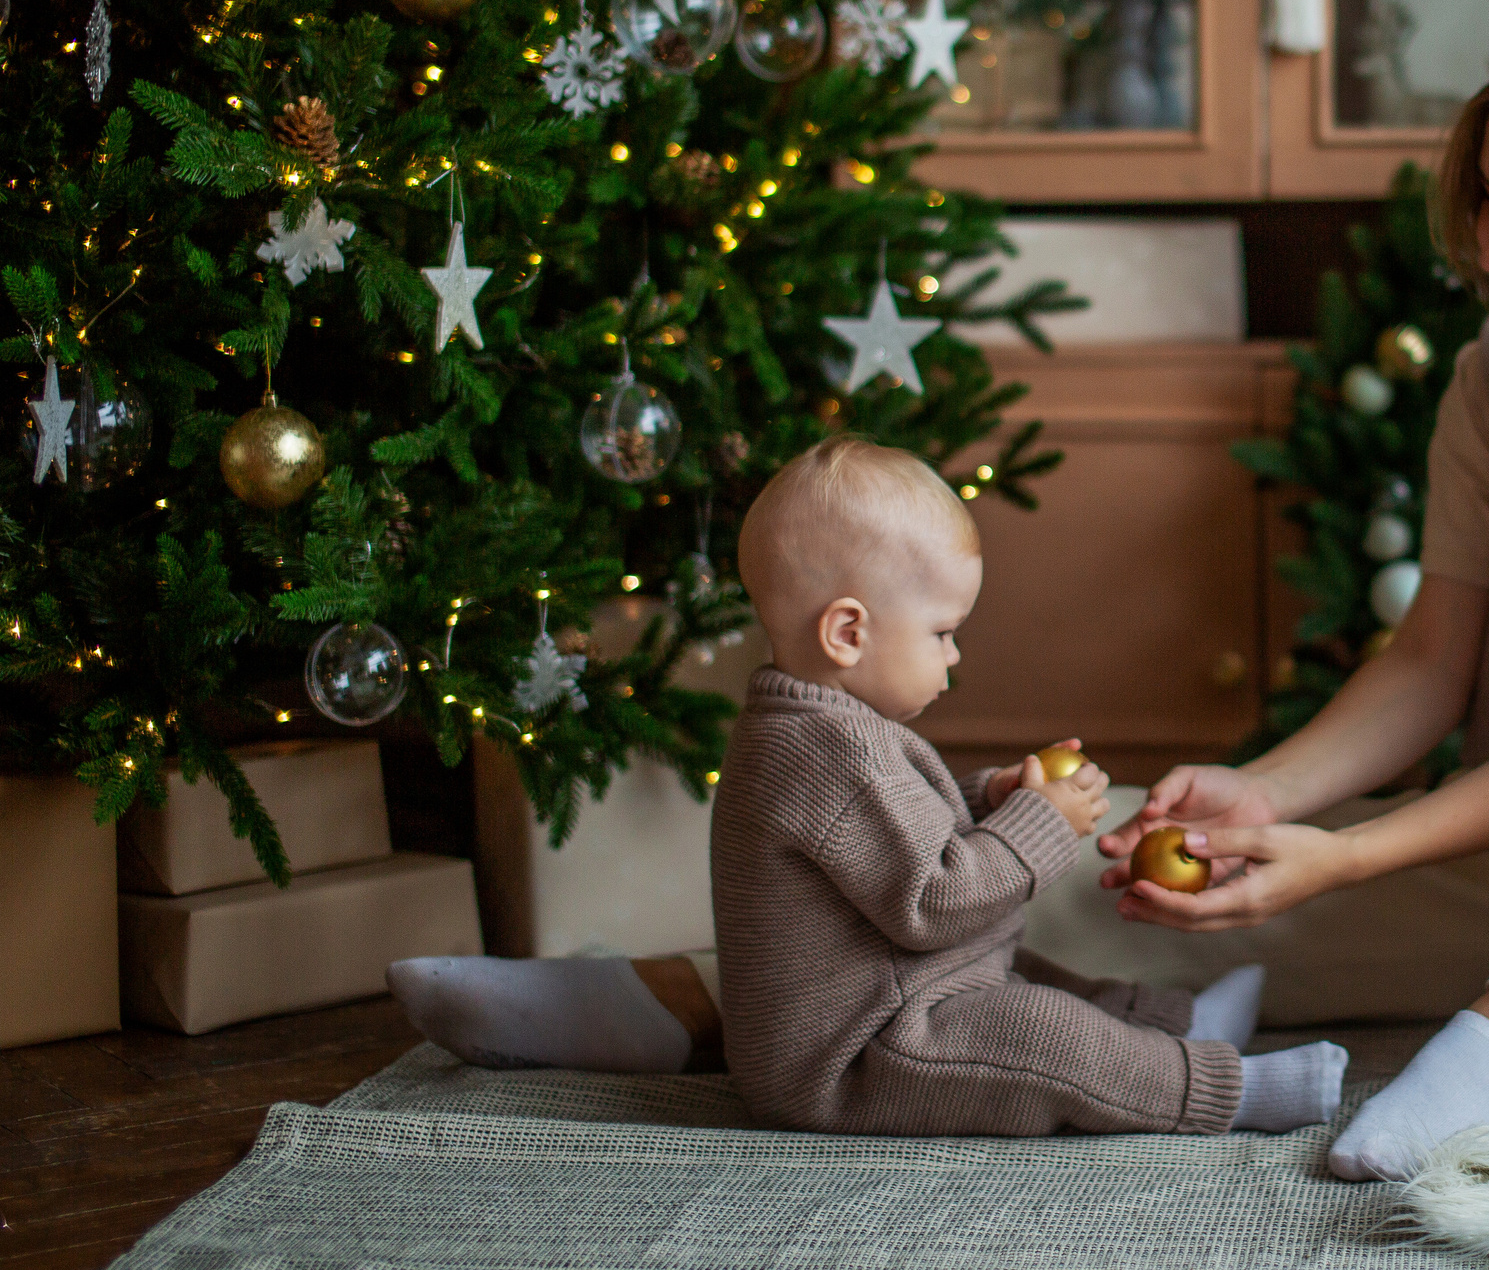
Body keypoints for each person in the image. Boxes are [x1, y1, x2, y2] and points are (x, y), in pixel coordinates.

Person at [394, 15, 1489, 1182]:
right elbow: (1438, 656)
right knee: (1099, 889)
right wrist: (1266, 802)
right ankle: (695, 994)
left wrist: (1357, 843)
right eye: (1488, 203)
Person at [393, 435, 1347, 1139]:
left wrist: (990, 796)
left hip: (905, 995)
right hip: (854, 1055)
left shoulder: (832, 729)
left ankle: (1171, 1020)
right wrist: (1036, 827)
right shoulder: (821, 752)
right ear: (848, 633)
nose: (956, 654)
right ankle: (1216, 1088)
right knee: (1036, 1032)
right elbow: (930, 899)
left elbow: (901, 836)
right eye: (940, 632)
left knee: (1034, 980)